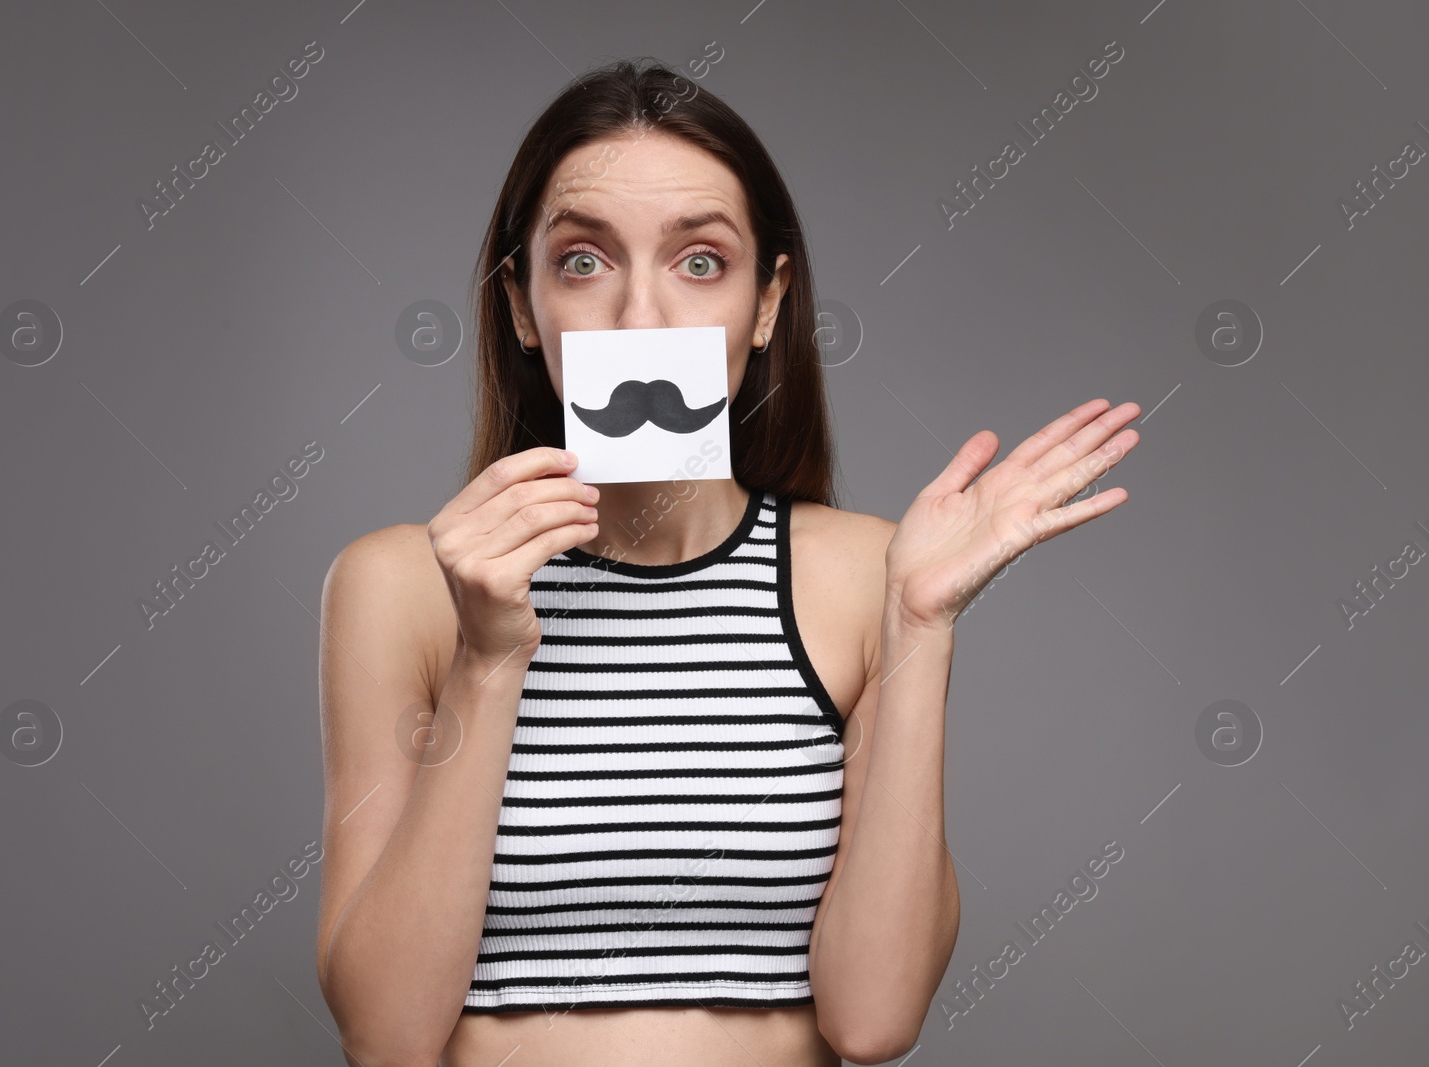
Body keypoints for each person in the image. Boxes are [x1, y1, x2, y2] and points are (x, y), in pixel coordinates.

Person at [313, 58, 1139, 1067]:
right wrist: (488, 660)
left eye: (699, 261)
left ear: (764, 304)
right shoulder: (400, 589)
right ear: (522, 307)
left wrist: (917, 623)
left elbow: (872, 1019)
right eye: (583, 260)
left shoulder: (864, 577)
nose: (641, 315)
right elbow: (385, 1035)